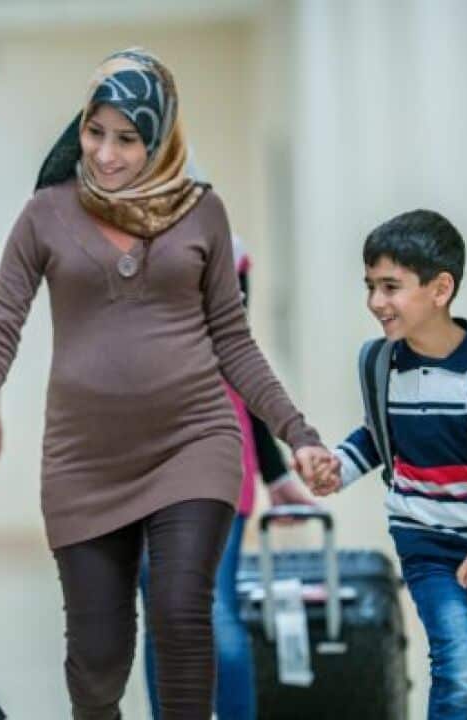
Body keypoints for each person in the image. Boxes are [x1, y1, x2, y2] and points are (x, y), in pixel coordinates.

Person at [0, 48, 336, 719]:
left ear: (160, 140)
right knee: (97, 659)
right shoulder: (46, 213)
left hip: (193, 443)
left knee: (184, 613)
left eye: (128, 139)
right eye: (95, 132)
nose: (106, 154)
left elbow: (234, 342)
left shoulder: (202, 212)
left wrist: (297, 434)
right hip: (84, 461)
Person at [310, 209, 467, 719]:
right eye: (370, 286)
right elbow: (381, 437)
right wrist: (339, 466)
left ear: (440, 289)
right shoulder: (380, 363)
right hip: (427, 545)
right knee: (459, 667)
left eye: (391, 287)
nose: (376, 302)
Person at [137, 237, 318, 720]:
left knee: (214, 613)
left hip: (215, 461)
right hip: (130, 468)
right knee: (164, 623)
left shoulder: (226, 253)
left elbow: (239, 362)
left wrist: (276, 473)